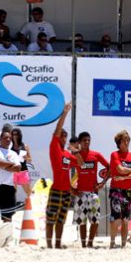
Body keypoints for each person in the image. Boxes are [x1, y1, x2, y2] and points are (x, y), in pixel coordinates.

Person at [46, 102, 82, 248]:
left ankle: (58, 244)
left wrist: (76, 151)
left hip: (66, 191)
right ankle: (49, 246)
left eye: (65, 136)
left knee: (61, 219)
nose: (64, 138)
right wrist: (65, 113)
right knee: (50, 219)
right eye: (62, 136)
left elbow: (80, 163)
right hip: (56, 190)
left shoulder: (67, 154)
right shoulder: (54, 148)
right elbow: (57, 129)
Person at [109, 130, 131, 249]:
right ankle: (113, 242)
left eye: (128, 140)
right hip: (116, 190)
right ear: (119, 143)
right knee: (115, 217)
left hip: (128, 190)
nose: (126, 142)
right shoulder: (115, 154)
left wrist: (127, 176)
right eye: (124, 140)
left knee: (125, 220)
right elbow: (120, 169)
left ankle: (123, 244)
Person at [72, 131, 109, 248]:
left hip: (93, 193)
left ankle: (90, 242)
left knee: (95, 220)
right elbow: (63, 170)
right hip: (80, 193)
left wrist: (102, 183)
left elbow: (110, 167)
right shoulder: (75, 156)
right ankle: (83, 244)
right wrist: (71, 189)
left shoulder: (96, 155)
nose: (87, 142)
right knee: (81, 221)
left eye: (88, 140)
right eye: (84, 140)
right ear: (79, 142)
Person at [11, 128, 33, 196]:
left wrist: (26, 158)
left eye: (16, 134)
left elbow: (30, 159)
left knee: (28, 191)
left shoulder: (25, 146)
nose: (15, 136)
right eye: (13, 134)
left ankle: (29, 203)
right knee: (13, 192)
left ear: (20, 135)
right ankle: (12, 205)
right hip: (13, 172)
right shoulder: (10, 146)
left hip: (23, 171)